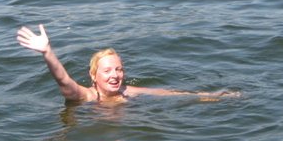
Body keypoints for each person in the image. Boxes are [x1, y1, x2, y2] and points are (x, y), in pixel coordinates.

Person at [16, 24, 238, 102]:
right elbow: (63, 79)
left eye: (119, 69)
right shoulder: (85, 96)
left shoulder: (127, 91)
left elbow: (169, 93)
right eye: (107, 70)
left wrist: (213, 96)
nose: (115, 75)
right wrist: (47, 52)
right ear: (93, 75)